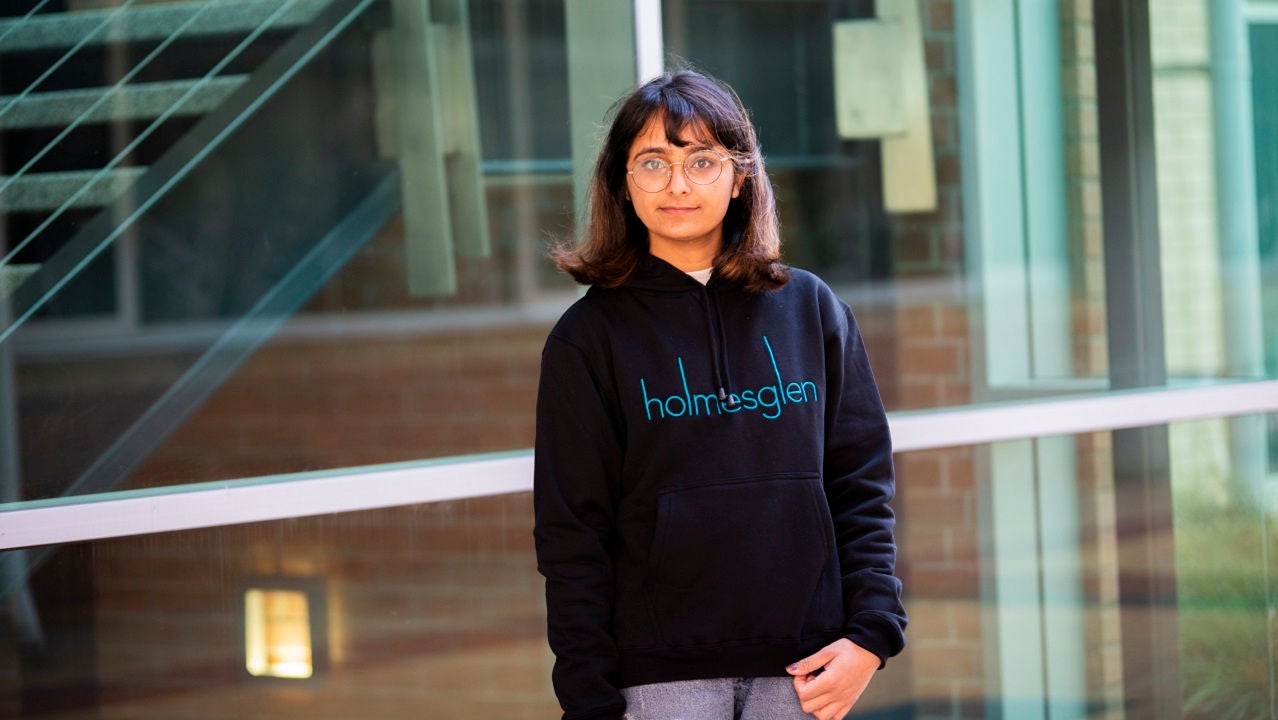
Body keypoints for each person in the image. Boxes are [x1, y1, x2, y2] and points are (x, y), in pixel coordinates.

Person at [533, 68, 906, 720]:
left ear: (739, 179)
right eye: (652, 162)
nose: (677, 184)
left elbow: (861, 485)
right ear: (623, 183)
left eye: (702, 161)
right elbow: (572, 537)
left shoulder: (811, 310)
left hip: (804, 672)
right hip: (655, 685)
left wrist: (870, 636)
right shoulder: (587, 340)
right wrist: (587, 700)